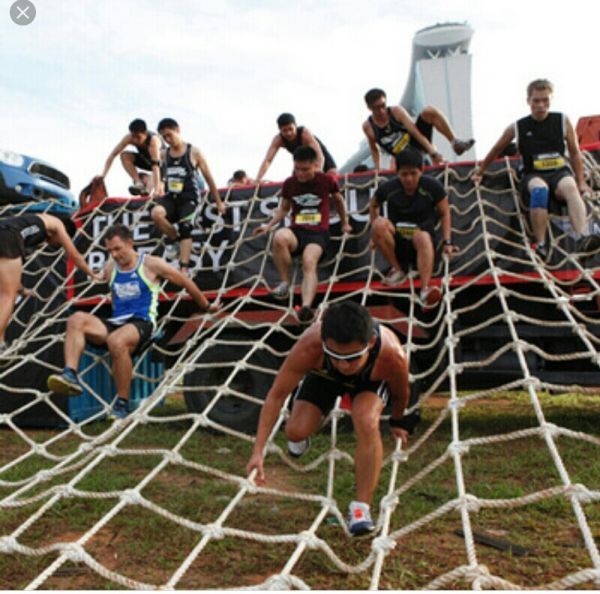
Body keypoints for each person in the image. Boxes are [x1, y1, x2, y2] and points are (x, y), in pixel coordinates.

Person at [246, 300, 410, 537]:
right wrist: (258, 451)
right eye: (336, 356)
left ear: (370, 343)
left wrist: (397, 421)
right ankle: (305, 431)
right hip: (324, 377)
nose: (344, 365)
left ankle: (361, 509)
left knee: (365, 420)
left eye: (353, 358)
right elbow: (276, 395)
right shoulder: (309, 348)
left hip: (369, 382)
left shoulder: (391, 356)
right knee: (295, 432)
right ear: (324, 343)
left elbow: (401, 393)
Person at [47, 224, 219, 420]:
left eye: (118, 248)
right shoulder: (111, 267)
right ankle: (70, 374)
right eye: (110, 250)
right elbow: (110, 291)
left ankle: (122, 403)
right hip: (117, 322)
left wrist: (206, 306)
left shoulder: (152, 264)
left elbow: (185, 282)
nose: (114, 254)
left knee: (116, 341)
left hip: (143, 322)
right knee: (76, 319)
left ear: (130, 243)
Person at [473, 78, 599, 261]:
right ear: (528, 101)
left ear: (551, 99)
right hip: (534, 174)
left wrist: (581, 181)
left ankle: (583, 238)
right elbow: (497, 149)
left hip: (560, 172)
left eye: (545, 100)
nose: (541, 105)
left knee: (572, 189)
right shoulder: (518, 126)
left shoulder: (562, 121)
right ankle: (540, 243)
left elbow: (574, 151)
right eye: (536, 101)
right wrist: (480, 172)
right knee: (540, 191)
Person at [253, 146, 352, 324]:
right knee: (279, 237)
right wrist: (268, 225)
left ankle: (306, 305)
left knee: (308, 261)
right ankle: (285, 284)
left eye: (305, 169)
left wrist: (345, 222)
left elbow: (339, 200)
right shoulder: (290, 183)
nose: (301, 173)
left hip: (318, 233)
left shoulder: (326, 180)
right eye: (297, 169)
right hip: (297, 231)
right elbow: (284, 209)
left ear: (315, 166)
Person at [0, 213, 100, 356]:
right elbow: (75, 255)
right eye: (58, 243)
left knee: (5, 291)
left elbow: (9, 274)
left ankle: (1, 341)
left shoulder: (37, 220)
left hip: (4, 229)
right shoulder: (57, 224)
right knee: (7, 296)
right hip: (7, 235)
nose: (52, 244)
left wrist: (22, 290)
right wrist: (93, 274)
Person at [370, 148, 456, 305]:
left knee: (421, 236)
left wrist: (447, 241)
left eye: (413, 173)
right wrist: (373, 236)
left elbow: (445, 213)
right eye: (404, 174)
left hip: (423, 243)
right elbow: (373, 204)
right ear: (397, 173)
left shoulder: (433, 187)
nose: (409, 179)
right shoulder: (389, 188)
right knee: (378, 225)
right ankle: (397, 270)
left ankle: (425, 290)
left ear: (421, 171)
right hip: (398, 242)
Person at [150, 118, 226, 275]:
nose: (167, 139)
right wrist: (155, 188)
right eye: (164, 137)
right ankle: (175, 240)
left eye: (169, 135)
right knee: (156, 214)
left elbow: (209, 177)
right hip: (172, 197)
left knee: (186, 227)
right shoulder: (164, 154)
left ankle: (183, 268)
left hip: (189, 197)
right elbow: (157, 172)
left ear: (178, 130)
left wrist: (218, 202)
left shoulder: (194, 151)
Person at [362, 88, 474, 171]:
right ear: (369, 108)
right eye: (376, 108)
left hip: (416, 143)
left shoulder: (396, 112)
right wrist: (378, 170)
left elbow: (415, 131)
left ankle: (455, 142)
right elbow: (374, 149)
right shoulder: (368, 127)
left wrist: (433, 152)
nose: (381, 111)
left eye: (383, 106)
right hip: (402, 157)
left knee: (428, 111)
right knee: (394, 168)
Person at [256, 113, 337, 181]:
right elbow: (268, 160)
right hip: (301, 160)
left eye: (291, 129)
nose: (288, 133)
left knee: (331, 175)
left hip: (317, 157)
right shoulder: (278, 140)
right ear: (280, 130)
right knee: (295, 183)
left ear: (295, 126)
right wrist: (258, 178)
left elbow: (319, 154)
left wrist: (317, 171)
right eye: (284, 130)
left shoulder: (304, 133)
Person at [98, 119, 164, 196]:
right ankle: (138, 183)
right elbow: (112, 155)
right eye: (133, 136)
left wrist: (155, 189)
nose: (135, 140)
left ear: (145, 133)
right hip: (146, 161)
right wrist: (103, 175)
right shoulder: (129, 138)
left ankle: (147, 189)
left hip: (161, 164)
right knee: (124, 155)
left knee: (151, 183)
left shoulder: (153, 141)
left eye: (138, 137)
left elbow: (156, 166)